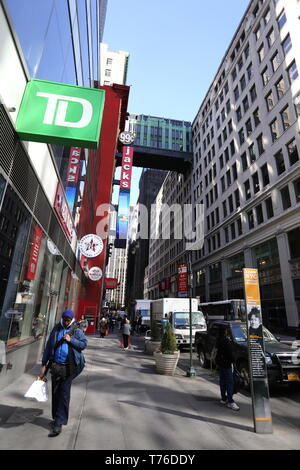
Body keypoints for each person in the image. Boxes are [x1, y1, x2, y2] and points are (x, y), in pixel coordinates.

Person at [38, 309, 87, 437]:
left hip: (69, 367)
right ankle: (56, 419)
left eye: (68, 320)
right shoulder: (56, 329)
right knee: (55, 392)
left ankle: (59, 422)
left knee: (64, 394)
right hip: (56, 366)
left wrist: (71, 340)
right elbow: (49, 346)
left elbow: (83, 345)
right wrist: (44, 364)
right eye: (64, 319)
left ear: (72, 320)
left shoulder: (77, 331)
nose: (66, 322)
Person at [215, 326, 240, 411]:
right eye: (226, 330)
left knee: (222, 381)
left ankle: (223, 398)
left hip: (221, 364)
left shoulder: (218, 340)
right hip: (227, 365)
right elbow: (230, 354)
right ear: (225, 332)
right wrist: (233, 360)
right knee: (230, 382)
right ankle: (230, 401)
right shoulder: (226, 341)